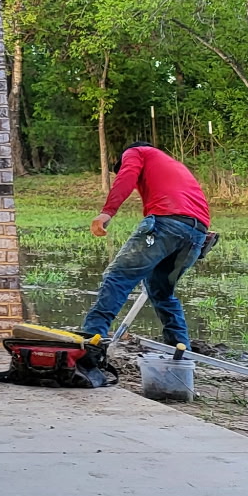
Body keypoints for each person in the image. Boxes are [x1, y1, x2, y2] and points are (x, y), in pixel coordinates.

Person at [79, 144, 213, 348]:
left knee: (118, 276)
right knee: (161, 290)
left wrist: (108, 211)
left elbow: (127, 177)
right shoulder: (174, 166)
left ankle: (90, 338)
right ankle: (180, 351)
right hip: (197, 234)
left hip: (166, 224)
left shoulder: (137, 152)